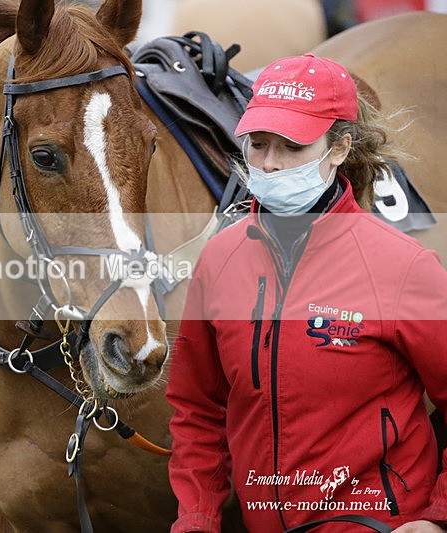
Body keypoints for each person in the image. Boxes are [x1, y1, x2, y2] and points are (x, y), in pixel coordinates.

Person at [165, 54, 447, 532]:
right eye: (258, 144)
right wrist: (197, 518)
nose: (271, 164)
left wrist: (438, 517)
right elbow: (197, 409)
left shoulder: (404, 267)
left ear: (339, 148)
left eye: (293, 146)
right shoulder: (219, 261)